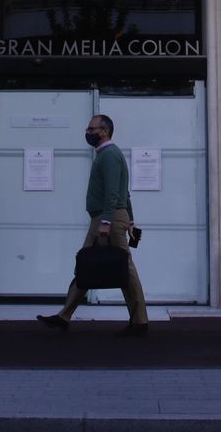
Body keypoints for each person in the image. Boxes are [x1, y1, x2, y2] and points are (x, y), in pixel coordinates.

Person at [36, 113, 149, 336]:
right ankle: (64, 316)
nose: (88, 133)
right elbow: (124, 193)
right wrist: (131, 220)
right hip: (109, 217)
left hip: (108, 219)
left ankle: (139, 322)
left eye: (91, 129)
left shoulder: (108, 155)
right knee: (86, 263)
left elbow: (114, 193)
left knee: (123, 267)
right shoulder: (109, 155)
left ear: (104, 131)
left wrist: (107, 221)